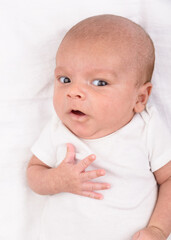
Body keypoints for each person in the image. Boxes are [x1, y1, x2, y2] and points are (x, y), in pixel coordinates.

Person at [27, 14, 171, 240]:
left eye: (99, 83)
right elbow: (34, 173)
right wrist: (57, 180)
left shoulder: (146, 128)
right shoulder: (59, 128)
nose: (73, 92)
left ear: (140, 98)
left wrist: (159, 229)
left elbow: (169, 179)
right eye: (65, 79)